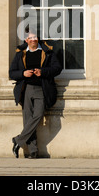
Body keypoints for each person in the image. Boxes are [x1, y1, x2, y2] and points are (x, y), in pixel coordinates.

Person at [9, 30, 62, 159]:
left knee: (38, 115)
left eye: (35, 37)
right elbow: (11, 73)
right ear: (26, 40)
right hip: (25, 89)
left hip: (41, 88)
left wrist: (42, 72)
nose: (33, 39)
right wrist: (23, 74)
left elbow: (57, 68)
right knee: (28, 119)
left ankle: (18, 140)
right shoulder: (20, 54)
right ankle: (33, 151)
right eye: (30, 38)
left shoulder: (47, 52)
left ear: (38, 39)